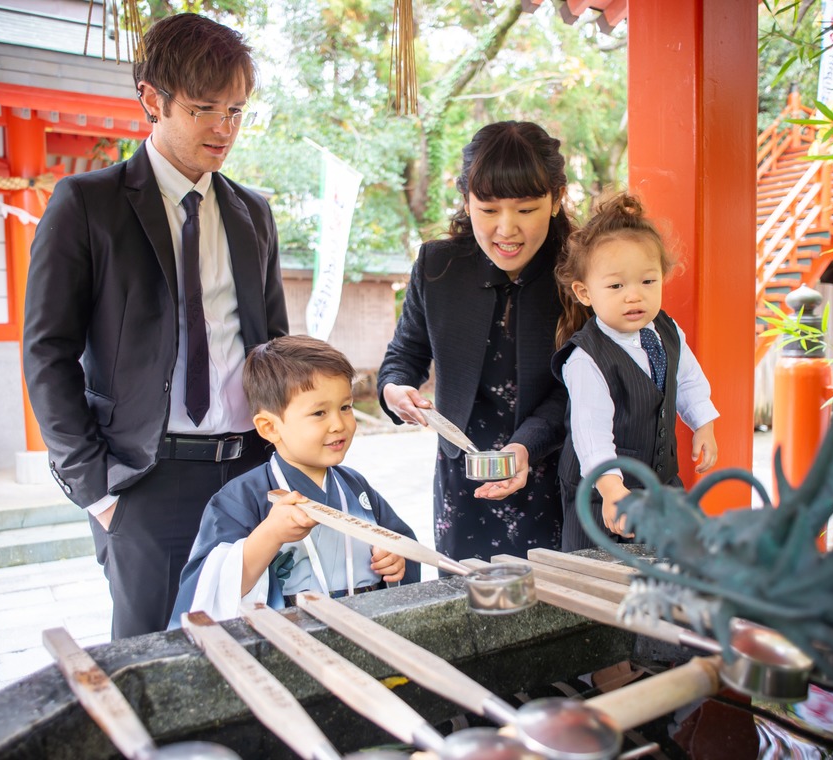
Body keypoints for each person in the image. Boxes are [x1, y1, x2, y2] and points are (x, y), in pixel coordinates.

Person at [22, 13, 289, 639]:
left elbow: (274, 345)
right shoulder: (88, 204)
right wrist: (98, 490)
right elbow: (47, 353)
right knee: (153, 660)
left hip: (250, 471)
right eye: (204, 109)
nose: (224, 129)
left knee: (257, 644)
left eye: (236, 111)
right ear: (152, 99)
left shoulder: (253, 213)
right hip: (145, 479)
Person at [377, 121, 576, 562]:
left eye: (526, 209)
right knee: (466, 595)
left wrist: (525, 447)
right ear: (466, 201)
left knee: (555, 595)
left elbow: (580, 386)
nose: (507, 229)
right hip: (463, 479)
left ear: (557, 199)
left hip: (553, 472)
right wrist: (394, 389)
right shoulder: (438, 265)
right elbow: (405, 354)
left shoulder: (578, 271)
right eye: (488, 209)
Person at [168, 335, 420, 624]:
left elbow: (403, 545)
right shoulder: (241, 498)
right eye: (319, 413)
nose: (338, 424)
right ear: (269, 427)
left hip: (366, 627)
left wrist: (395, 560)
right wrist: (270, 535)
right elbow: (208, 590)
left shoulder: (355, 487)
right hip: (287, 635)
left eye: (345, 407)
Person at [552, 192, 719, 550]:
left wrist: (703, 423)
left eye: (647, 281)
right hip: (601, 493)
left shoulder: (666, 330)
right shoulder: (586, 359)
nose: (634, 296)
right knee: (597, 571)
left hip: (660, 486)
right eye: (616, 286)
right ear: (584, 292)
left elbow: (688, 379)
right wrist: (612, 489)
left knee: (670, 559)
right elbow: (591, 433)